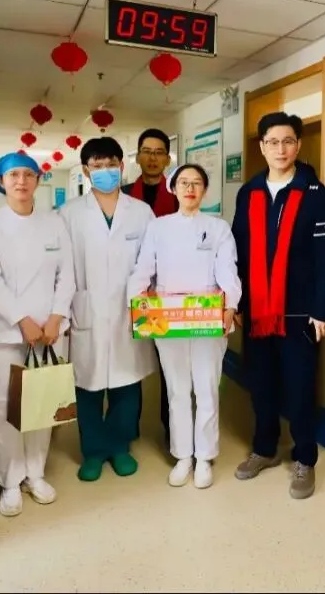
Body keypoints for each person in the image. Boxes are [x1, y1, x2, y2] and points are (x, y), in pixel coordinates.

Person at [230, 111, 325, 500]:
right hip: (257, 311)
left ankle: (305, 457)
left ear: (298, 145)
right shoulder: (250, 192)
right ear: (261, 147)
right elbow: (238, 251)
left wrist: (323, 309)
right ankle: (265, 448)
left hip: (300, 313)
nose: (281, 149)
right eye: (273, 142)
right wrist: (235, 301)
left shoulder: (314, 193)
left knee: (299, 388)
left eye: (288, 141)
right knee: (260, 385)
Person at [0, 151, 76, 517]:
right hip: (3, 333)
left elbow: (67, 275)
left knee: (43, 405)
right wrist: (22, 320)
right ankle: (10, 481)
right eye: (13, 175)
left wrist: (56, 317)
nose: (21, 181)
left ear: (38, 180)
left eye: (28, 175)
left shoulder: (54, 223)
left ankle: (35, 474)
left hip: (49, 332)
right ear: (1, 181)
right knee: (6, 408)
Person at [127, 163, 242, 489]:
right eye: (184, 183)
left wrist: (230, 305)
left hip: (207, 318)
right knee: (177, 390)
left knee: (206, 388)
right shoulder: (158, 227)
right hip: (168, 318)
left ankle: (204, 456)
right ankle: (183, 456)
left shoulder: (218, 228)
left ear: (205, 190)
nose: (190, 189)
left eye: (197, 183)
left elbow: (228, 271)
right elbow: (143, 269)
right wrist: (137, 300)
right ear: (173, 188)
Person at [59, 137, 156, 482]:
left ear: (121, 166)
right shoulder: (69, 214)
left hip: (130, 310)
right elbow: (62, 268)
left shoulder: (141, 212)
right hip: (86, 309)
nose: (105, 171)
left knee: (127, 385)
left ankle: (119, 447)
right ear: (86, 171)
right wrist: (62, 313)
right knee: (87, 386)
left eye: (111, 164)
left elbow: (153, 260)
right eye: (97, 165)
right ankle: (93, 451)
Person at [122, 128, 179, 448]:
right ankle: (127, 430)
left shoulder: (179, 194)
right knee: (129, 364)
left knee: (170, 367)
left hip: (167, 295)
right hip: (131, 291)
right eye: (147, 151)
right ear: (138, 157)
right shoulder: (122, 195)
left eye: (159, 153)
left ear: (167, 159)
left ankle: (174, 432)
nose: (153, 158)